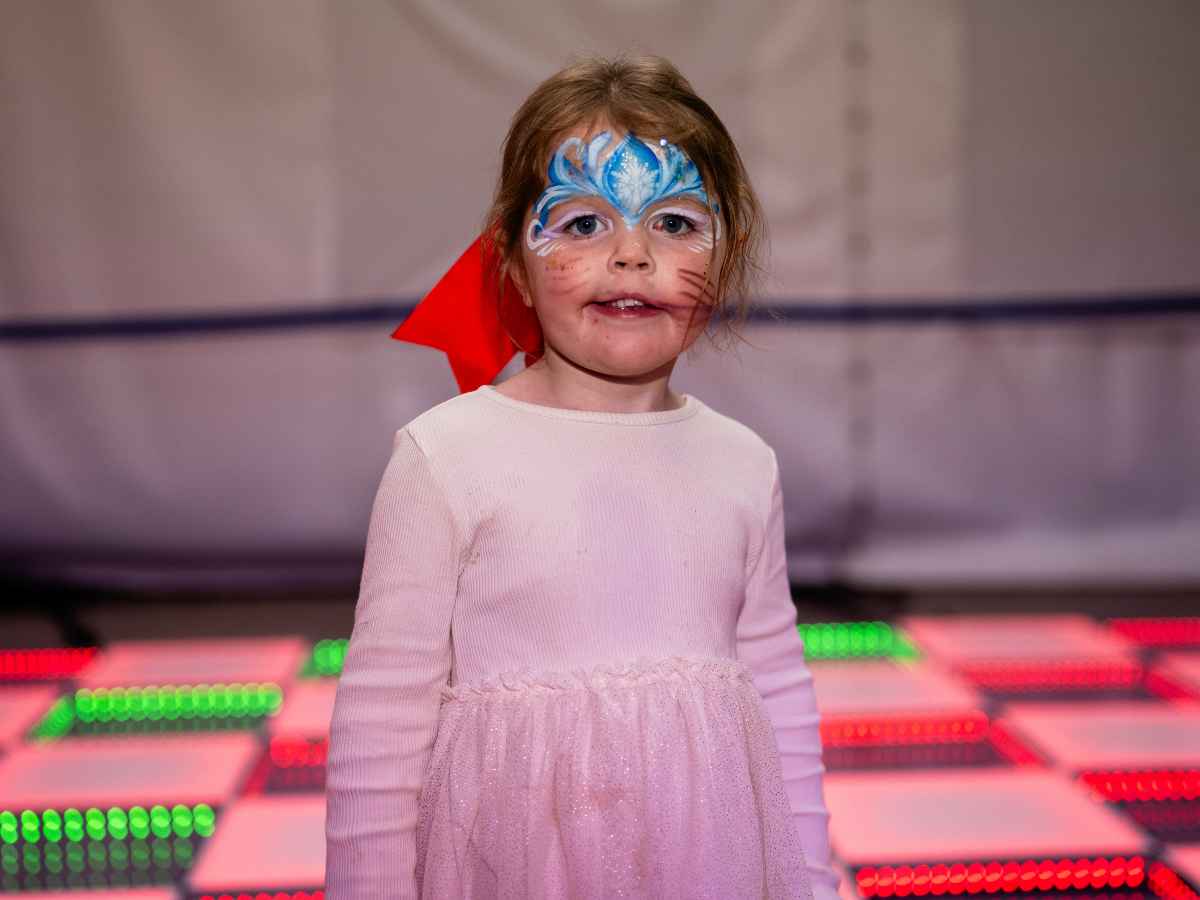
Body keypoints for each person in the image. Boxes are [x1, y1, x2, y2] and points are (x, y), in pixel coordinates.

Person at [326, 53, 837, 900]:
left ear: (729, 250)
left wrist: (813, 883)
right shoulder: (445, 457)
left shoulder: (745, 463)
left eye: (675, 224)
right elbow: (380, 730)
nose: (631, 257)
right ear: (513, 258)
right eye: (582, 223)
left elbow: (780, 695)